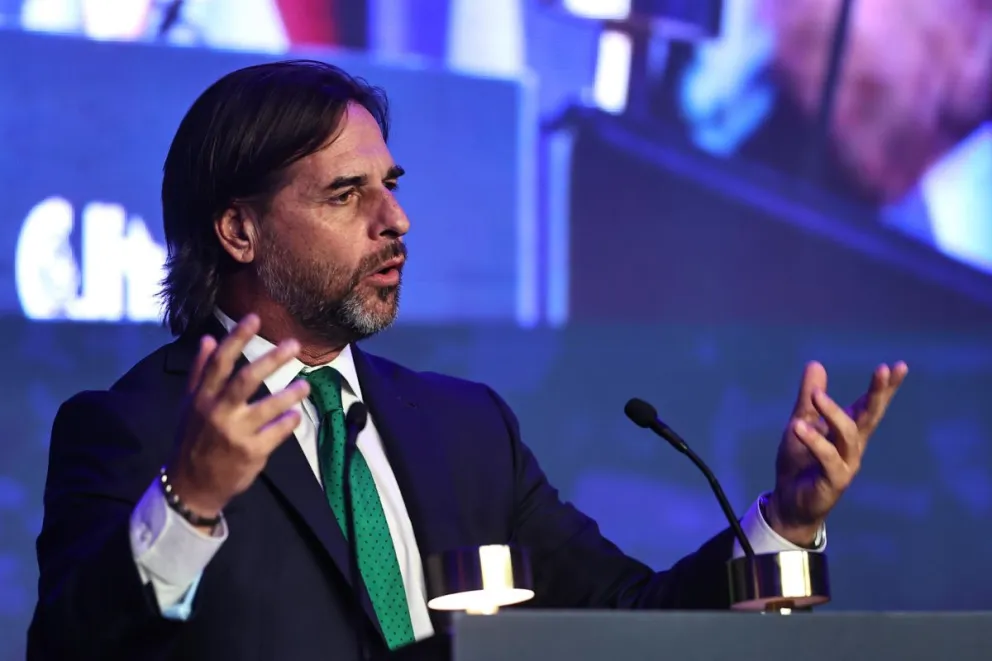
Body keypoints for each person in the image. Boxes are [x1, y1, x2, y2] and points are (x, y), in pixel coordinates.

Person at [26, 60, 908, 661]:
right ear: (239, 229)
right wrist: (190, 499)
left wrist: (785, 522)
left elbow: (631, 621)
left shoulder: (466, 427)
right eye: (346, 194)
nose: (395, 220)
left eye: (391, 186)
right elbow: (74, 647)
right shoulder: (134, 429)